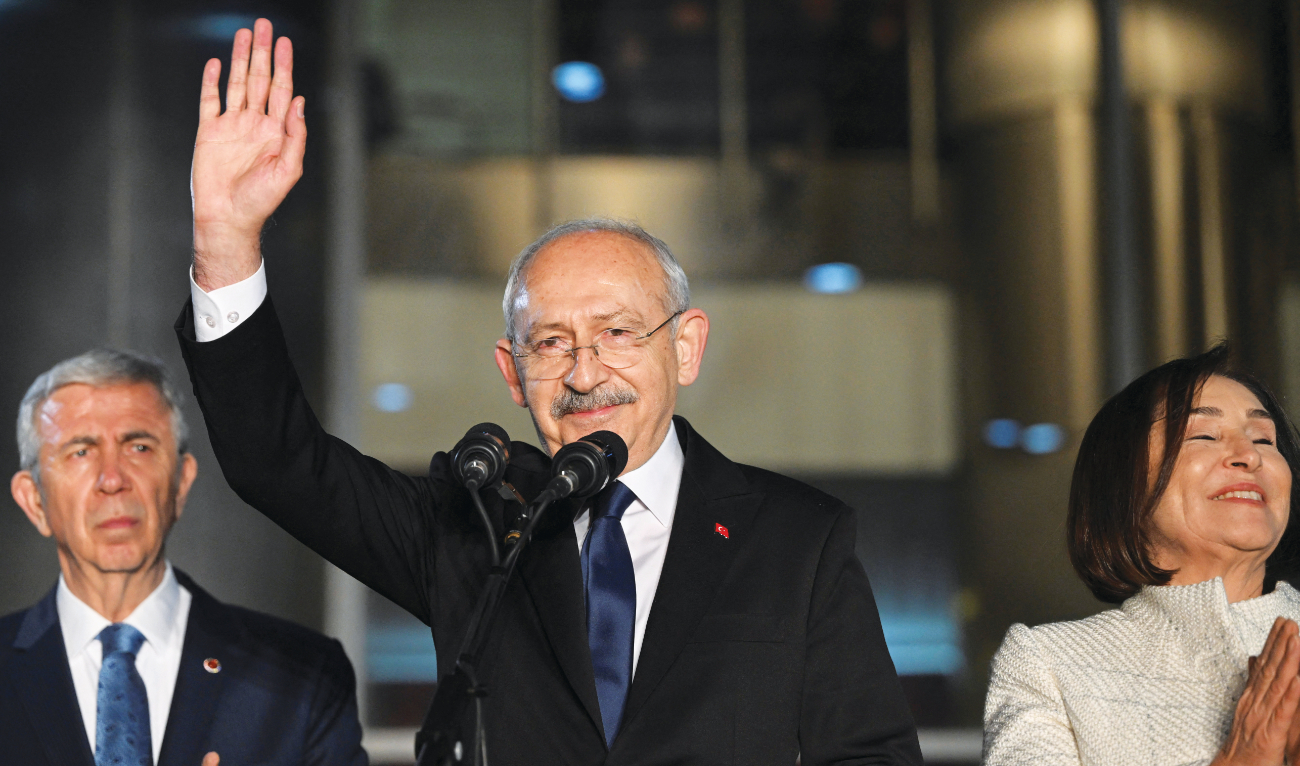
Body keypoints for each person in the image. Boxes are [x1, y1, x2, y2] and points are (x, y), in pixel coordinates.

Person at [177, 18, 922, 765]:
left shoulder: (797, 541)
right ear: (512, 372)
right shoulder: (472, 526)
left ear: (686, 346)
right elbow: (276, 462)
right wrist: (226, 240)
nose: (585, 372)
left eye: (619, 334)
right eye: (552, 343)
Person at [0, 349, 367, 766]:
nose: (113, 480)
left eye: (138, 447)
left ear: (181, 483)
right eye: (80, 452)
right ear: (34, 501)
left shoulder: (302, 677)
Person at [983, 345, 1300, 765]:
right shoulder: (1050, 663)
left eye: (1264, 438)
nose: (1250, 455)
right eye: (1204, 435)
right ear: (1122, 486)